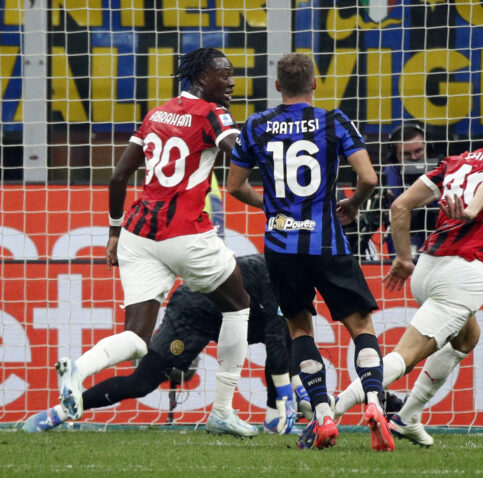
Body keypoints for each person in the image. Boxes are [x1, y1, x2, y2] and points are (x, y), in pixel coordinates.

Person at [54, 48, 259, 437]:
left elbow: (117, 179)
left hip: (136, 233)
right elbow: (240, 152)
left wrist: (113, 233)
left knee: (136, 337)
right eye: (224, 75)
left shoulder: (155, 114)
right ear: (202, 78)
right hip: (186, 234)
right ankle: (221, 411)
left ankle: (77, 370)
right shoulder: (214, 115)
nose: (231, 82)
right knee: (239, 305)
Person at [332, 97, 483, 446]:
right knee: (405, 356)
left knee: (466, 338)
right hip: (464, 273)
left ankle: (408, 416)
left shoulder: (455, 162)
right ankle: (332, 409)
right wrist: (474, 209)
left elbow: (400, 206)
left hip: (426, 268)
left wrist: (402, 258)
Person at [226, 52, 394, 452]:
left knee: (299, 328)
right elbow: (369, 177)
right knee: (361, 326)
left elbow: (233, 186)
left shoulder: (255, 126)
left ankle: (321, 417)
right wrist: (352, 204)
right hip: (327, 242)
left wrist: (271, 206)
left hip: (281, 247)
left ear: (278, 86)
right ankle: (373, 402)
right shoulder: (334, 121)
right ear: (315, 84)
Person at [24, 254, 310, 435]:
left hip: (233, 318)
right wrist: (294, 395)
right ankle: (61, 412)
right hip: (193, 312)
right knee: (142, 382)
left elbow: (281, 348)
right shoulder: (279, 278)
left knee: (287, 340)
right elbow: (275, 347)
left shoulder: (293, 279)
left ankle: (275, 420)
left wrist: (299, 393)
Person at [345, 124, 440, 260]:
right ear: (395, 156)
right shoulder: (388, 176)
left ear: (428, 149)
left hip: (437, 248)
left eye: (418, 151)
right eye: (406, 154)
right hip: (398, 250)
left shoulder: (443, 172)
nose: (413, 158)